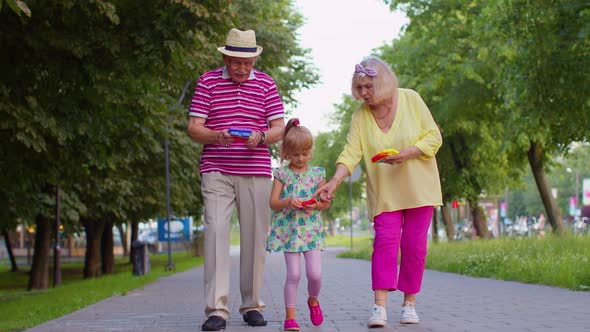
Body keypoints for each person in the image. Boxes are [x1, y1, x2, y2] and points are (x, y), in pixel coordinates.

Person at [314, 56, 442, 327]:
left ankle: (409, 304)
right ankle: (380, 307)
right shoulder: (360, 116)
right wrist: (334, 182)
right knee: (384, 243)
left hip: (419, 188)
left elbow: (434, 137)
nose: (362, 94)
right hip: (385, 191)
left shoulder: (411, 99)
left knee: (414, 246)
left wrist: (407, 154)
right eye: (358, 88)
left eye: (368, 87)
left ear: (383, 83)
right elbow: (351, 153)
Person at [187, 28, 286, 332]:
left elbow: (279, 126)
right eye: (235, 62)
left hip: (255, 170)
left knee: (255, 238)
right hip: (216, 168)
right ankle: (217, 309)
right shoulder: (208, 81)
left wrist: (261, 136)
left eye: (247, 63)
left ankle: (252, 304)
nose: (242, 68)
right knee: (216, 232)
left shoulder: (267, 83)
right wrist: (219, 136)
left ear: (254, 59)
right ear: (225, 57)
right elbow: (194, 127)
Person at [266, 118, 330, 331]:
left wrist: (316, 205)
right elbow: (273, 203)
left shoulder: (318, 174)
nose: (300, 158)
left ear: (310, 150)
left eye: (305, 153)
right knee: (293, 275)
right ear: (286, 153)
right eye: (295, 154)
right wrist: (288, 202)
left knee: (315, 274)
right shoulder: (282, 174)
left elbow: (325, 202)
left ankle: (313, 300)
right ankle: (290, 317)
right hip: (290, 232)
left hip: (311, 231)